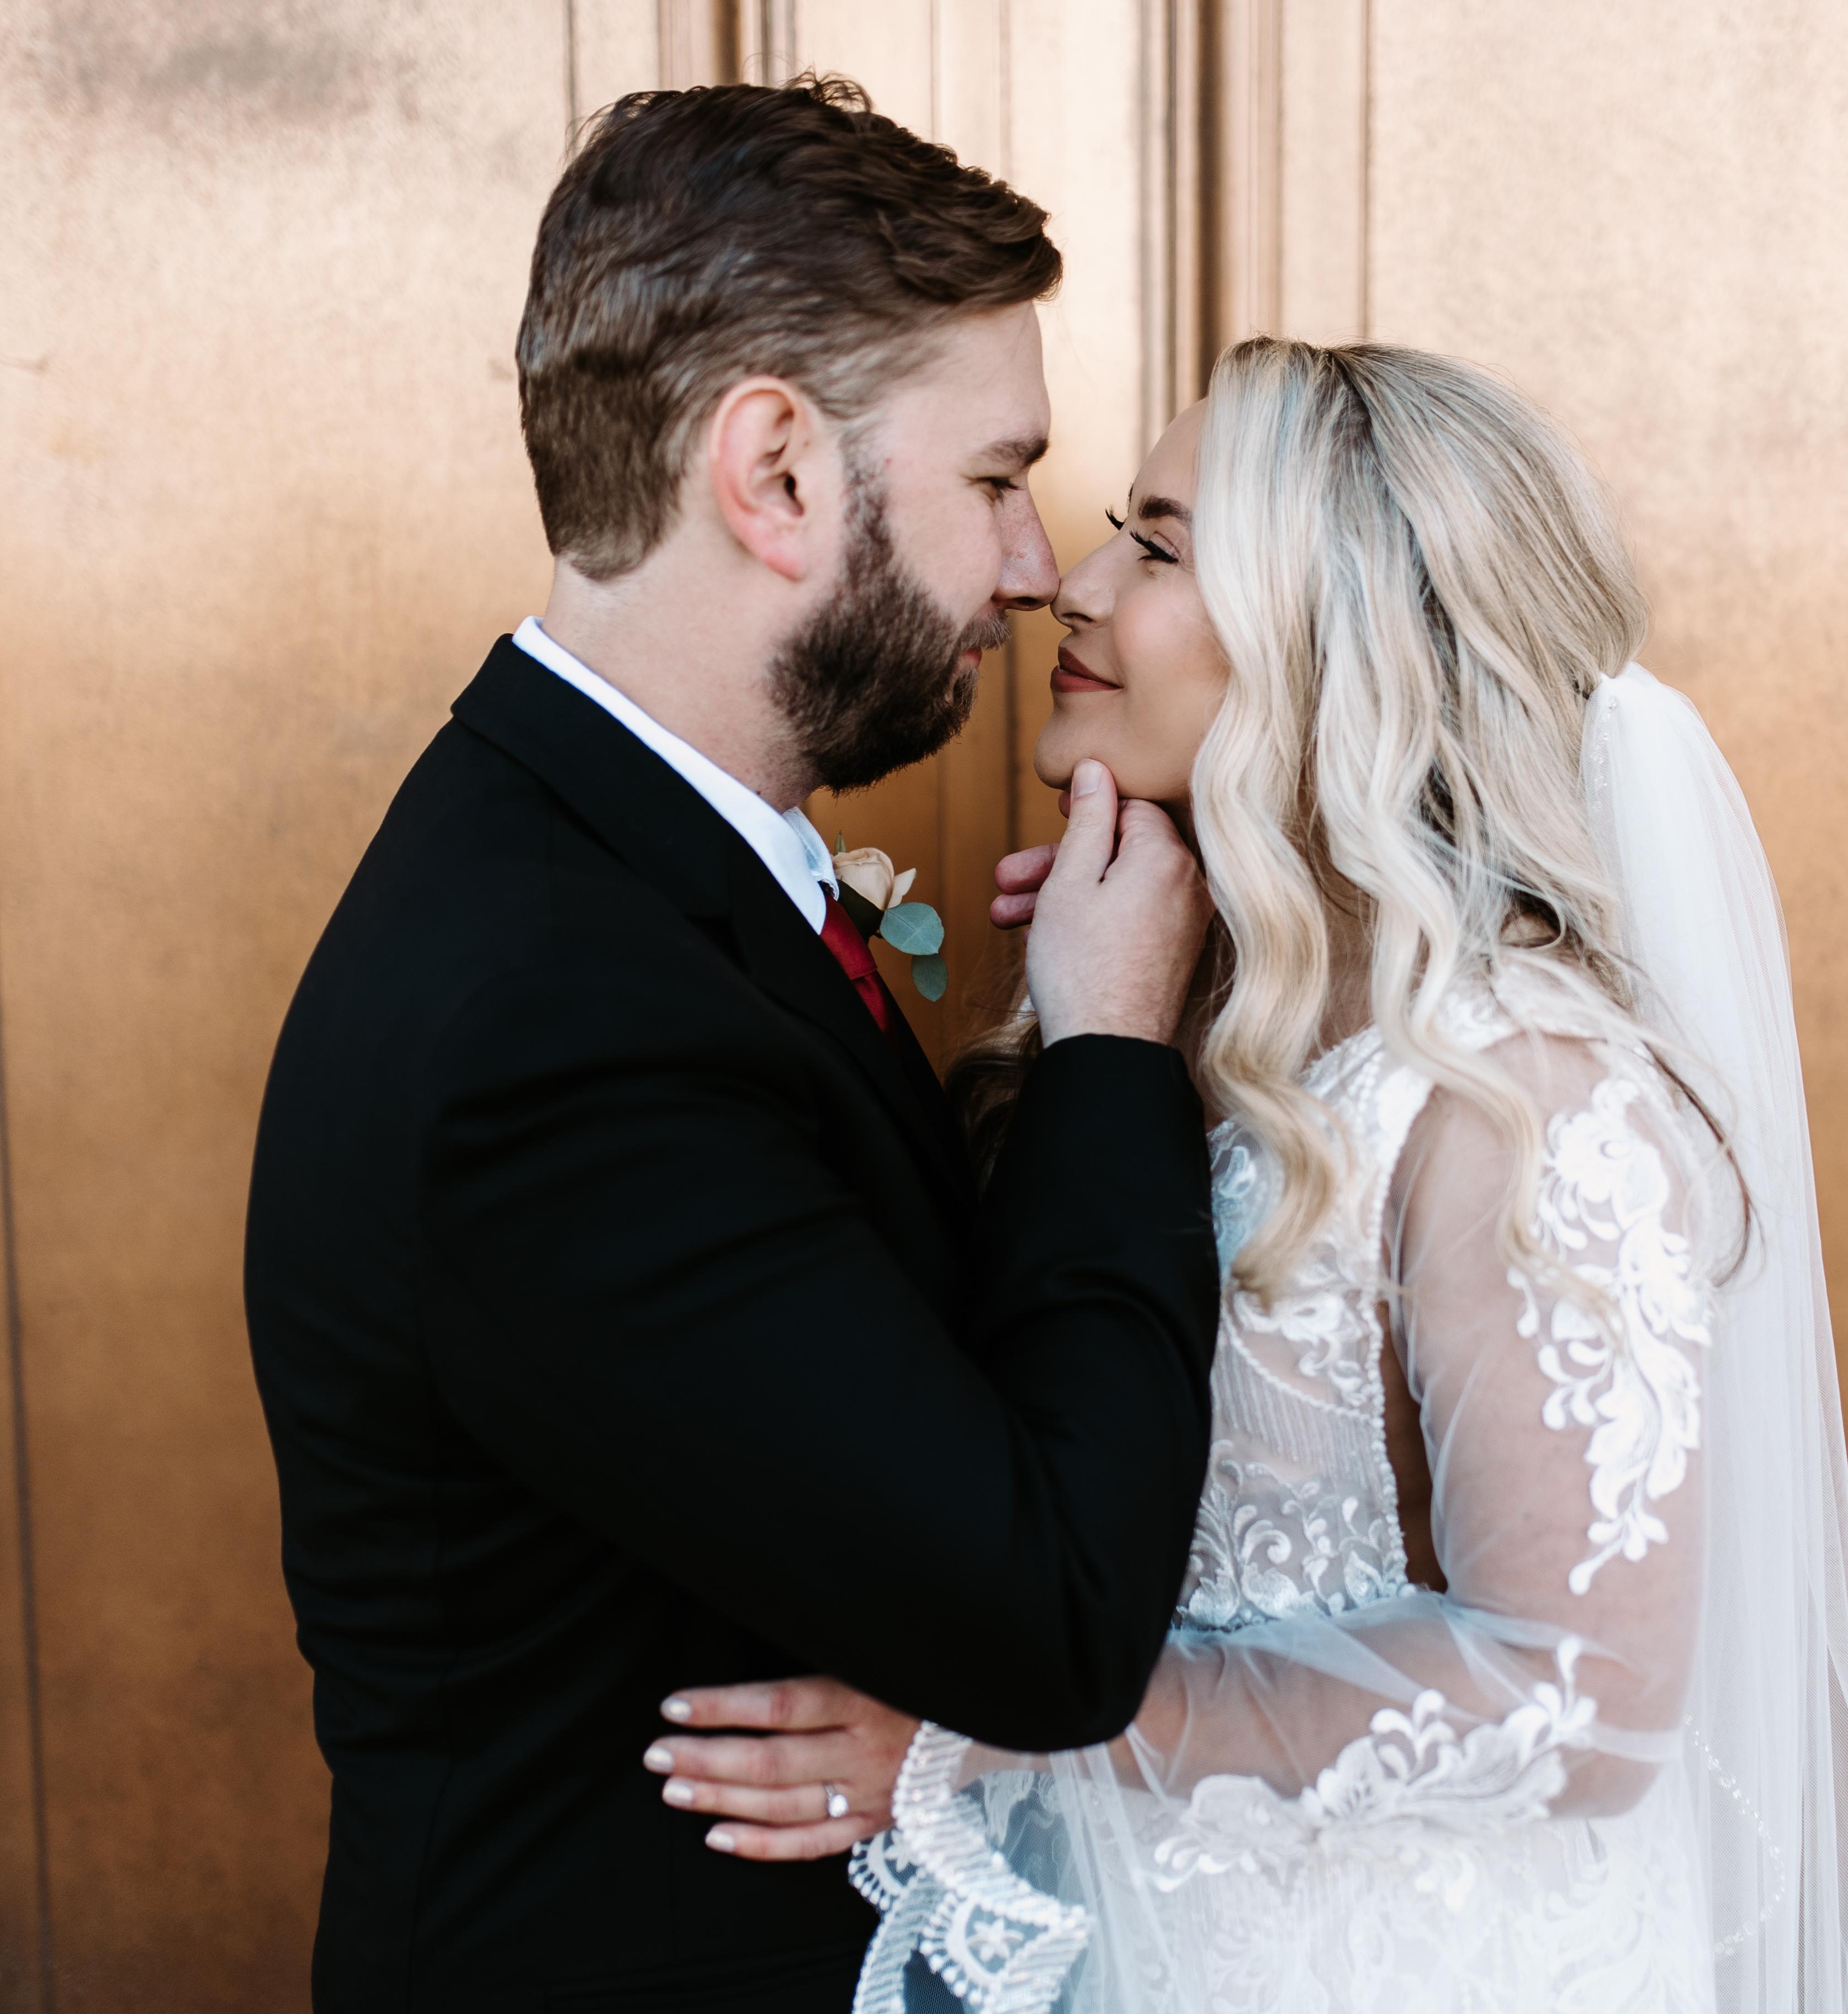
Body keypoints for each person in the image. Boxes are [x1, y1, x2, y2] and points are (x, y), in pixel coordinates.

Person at [647, 340, 1848, 2012]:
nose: (1073, 586)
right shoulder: (1176, 1013)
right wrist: (1108, 1028)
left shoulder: (1521, 1090)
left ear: (1341, 640)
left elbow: (1580, 1706)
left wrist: (1011, 1729)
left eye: (1159, 548)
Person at [241, 78, 1224, 2012]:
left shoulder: (614, 868)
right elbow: (1047, 1615)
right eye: (995, 480)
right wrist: (1112, 1050)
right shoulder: (557, 1019)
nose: (1037, 567)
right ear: (773, 472)